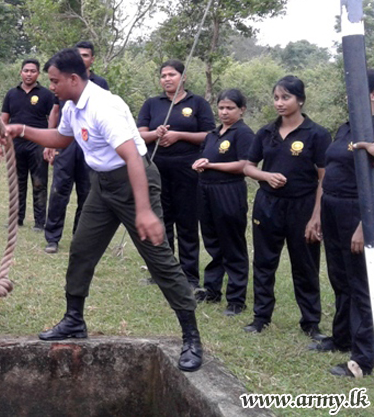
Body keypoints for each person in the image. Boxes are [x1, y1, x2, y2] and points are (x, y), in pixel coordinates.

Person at [5, 48, 203, 372]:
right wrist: (22, 130)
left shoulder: (103, 106)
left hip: (133, 181)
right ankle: (74, 320)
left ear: (73, 78)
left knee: (160, 259)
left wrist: (144, 211)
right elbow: (61, 138)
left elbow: (134, 158)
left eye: (54, 81)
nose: (50, 86)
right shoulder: (71, 105)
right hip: (103, 185)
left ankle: (191, 337)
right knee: (81, 250)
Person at [243, 75, 330, 340]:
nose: (279, 103)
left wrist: (316, 216)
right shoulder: (265, 132)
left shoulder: (317, 134)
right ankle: (261, 316)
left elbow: (324, 178)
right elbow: (247, 166)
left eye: (286, 97)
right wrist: (266, 176)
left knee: (305, 265)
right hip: (267, 204)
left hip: (302, 206)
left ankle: (311, 322)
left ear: (300, 100)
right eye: (276, 98)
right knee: (264, 261)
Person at [310, 69, 374, 377]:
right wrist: (321, 212)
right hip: (333, 209)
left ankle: (363, 359)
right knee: (340, 278)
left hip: (358, 213)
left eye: (356, 92)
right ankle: (342, 337)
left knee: (362, 285)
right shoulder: (347, 127)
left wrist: (365, 225)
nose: (349, 97)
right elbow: (332, 169)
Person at [137, 60, 215, 289]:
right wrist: (155, 133)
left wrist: (180, 135)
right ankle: (163, 272)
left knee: (187, 221)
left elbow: (210, 135)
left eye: (172, 74)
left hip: (187, 170)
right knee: (161, 219)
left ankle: (190, 276)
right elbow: (139, 134)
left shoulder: (198, 103)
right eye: (163, 75)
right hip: (157, 168)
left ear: (183, 77)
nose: (167, 79)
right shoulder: (152, 104)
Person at [191, 89, 255, 316]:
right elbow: (203, 157)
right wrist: (200, 165)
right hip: (206, 189)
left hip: (229, 190)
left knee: (232, 243)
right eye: (221, 108)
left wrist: (211, 166)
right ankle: (212, 289)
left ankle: (236, 299)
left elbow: (244, 165)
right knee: (212, 241)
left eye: (230, 108)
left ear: (241, 110)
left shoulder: (243, 133)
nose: (225, 112)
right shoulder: (213, 134)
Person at [42, 41, 109, 254]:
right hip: (67, 139)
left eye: (86, 55)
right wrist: (48, 144)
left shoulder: (100, 84)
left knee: (86, 190)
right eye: (79, 55)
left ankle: (80, 237)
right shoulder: (61, 81)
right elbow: (55, 110)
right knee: (60, 188)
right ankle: (52, 237)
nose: (83, 59)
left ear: (93, 59)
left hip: (88, 142)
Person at [0, 59, 55, 230]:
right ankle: (17, 219)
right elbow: (3, 120)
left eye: (33, 71)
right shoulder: (11, 94)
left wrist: (50, 143)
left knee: (39, 183)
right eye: (26, 70)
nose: (29, 74)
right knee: (17, 183)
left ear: (38, 74)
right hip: (15, 145)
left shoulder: (46, 95)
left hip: (38, 144)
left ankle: (39, 222)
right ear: (21, 72)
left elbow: (52, 119)